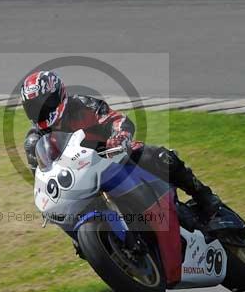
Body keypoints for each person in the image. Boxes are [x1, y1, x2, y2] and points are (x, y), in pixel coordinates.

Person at [20, 70, 223, 224]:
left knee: (161, 156)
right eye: (34, 107)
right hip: (81, 182)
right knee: (63, 219)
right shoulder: (34, 142)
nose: (42, 110)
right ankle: (89, 244)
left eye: (45, 103)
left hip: (113, 156)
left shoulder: (81, 104)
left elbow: (116, 119)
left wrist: (120, 136)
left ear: (59, 95)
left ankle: (204, 196)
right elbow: (43, 179)